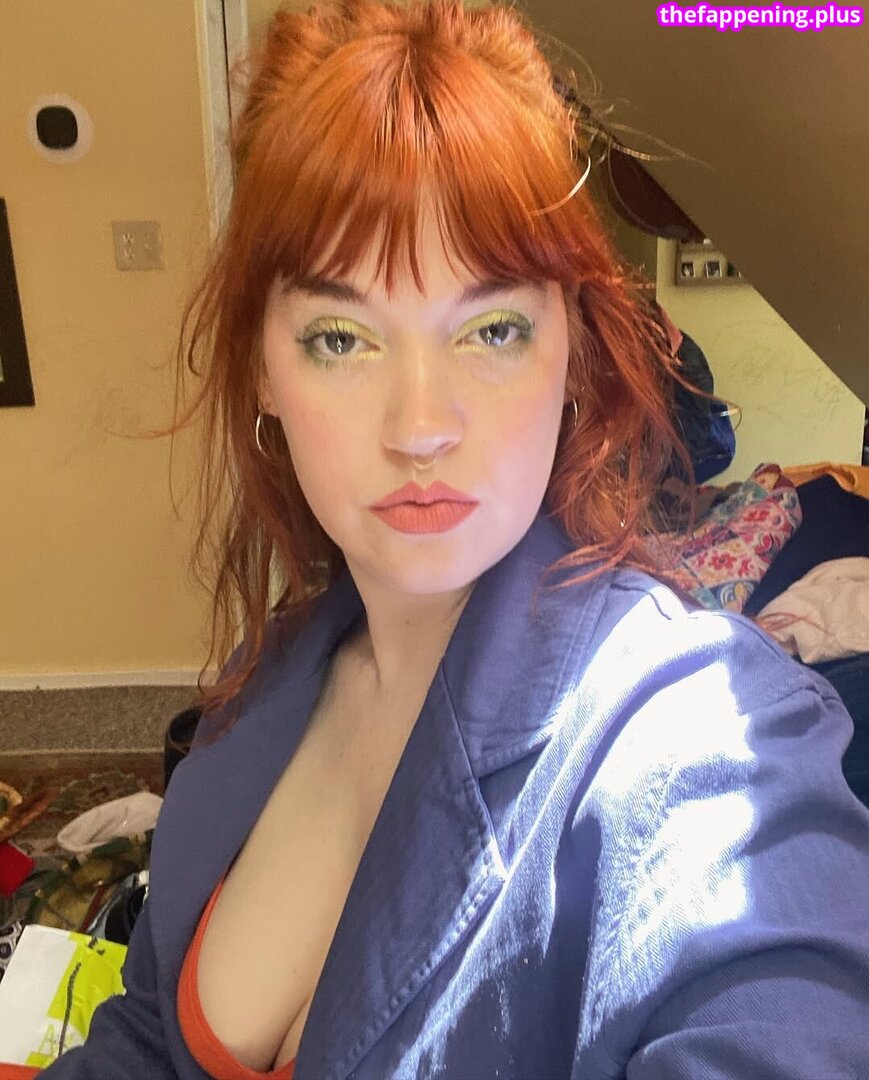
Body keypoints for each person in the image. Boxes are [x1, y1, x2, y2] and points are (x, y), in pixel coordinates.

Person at [32, 0, 869, 1076]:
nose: (420, 425)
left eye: (491, 329)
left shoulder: (697, 734)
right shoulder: (267, 689)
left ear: (569, 351)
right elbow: (148, 1040)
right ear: (262, 370)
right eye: (341, 337)